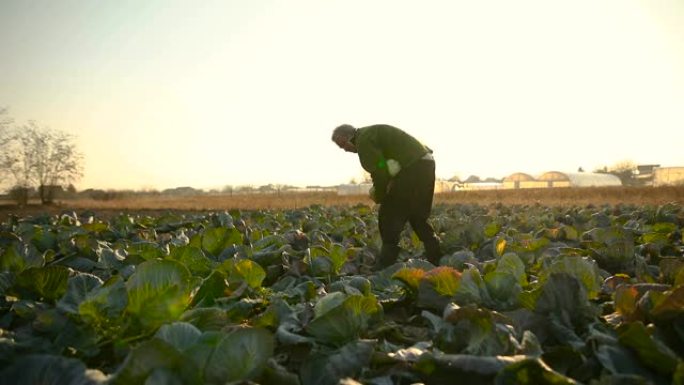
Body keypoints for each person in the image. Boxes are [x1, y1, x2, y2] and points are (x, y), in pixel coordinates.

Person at [331, 123, 442, 268]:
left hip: (413, 167)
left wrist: (380, 195)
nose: (345, 150)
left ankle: (385, 265)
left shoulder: (363, 140)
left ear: (347, 137)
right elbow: (384, 165)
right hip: (426, 163)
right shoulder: (372, 133)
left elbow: (380, 170)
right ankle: (437, 259)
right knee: (418, 215)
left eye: (343, 145)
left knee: (388, 215)